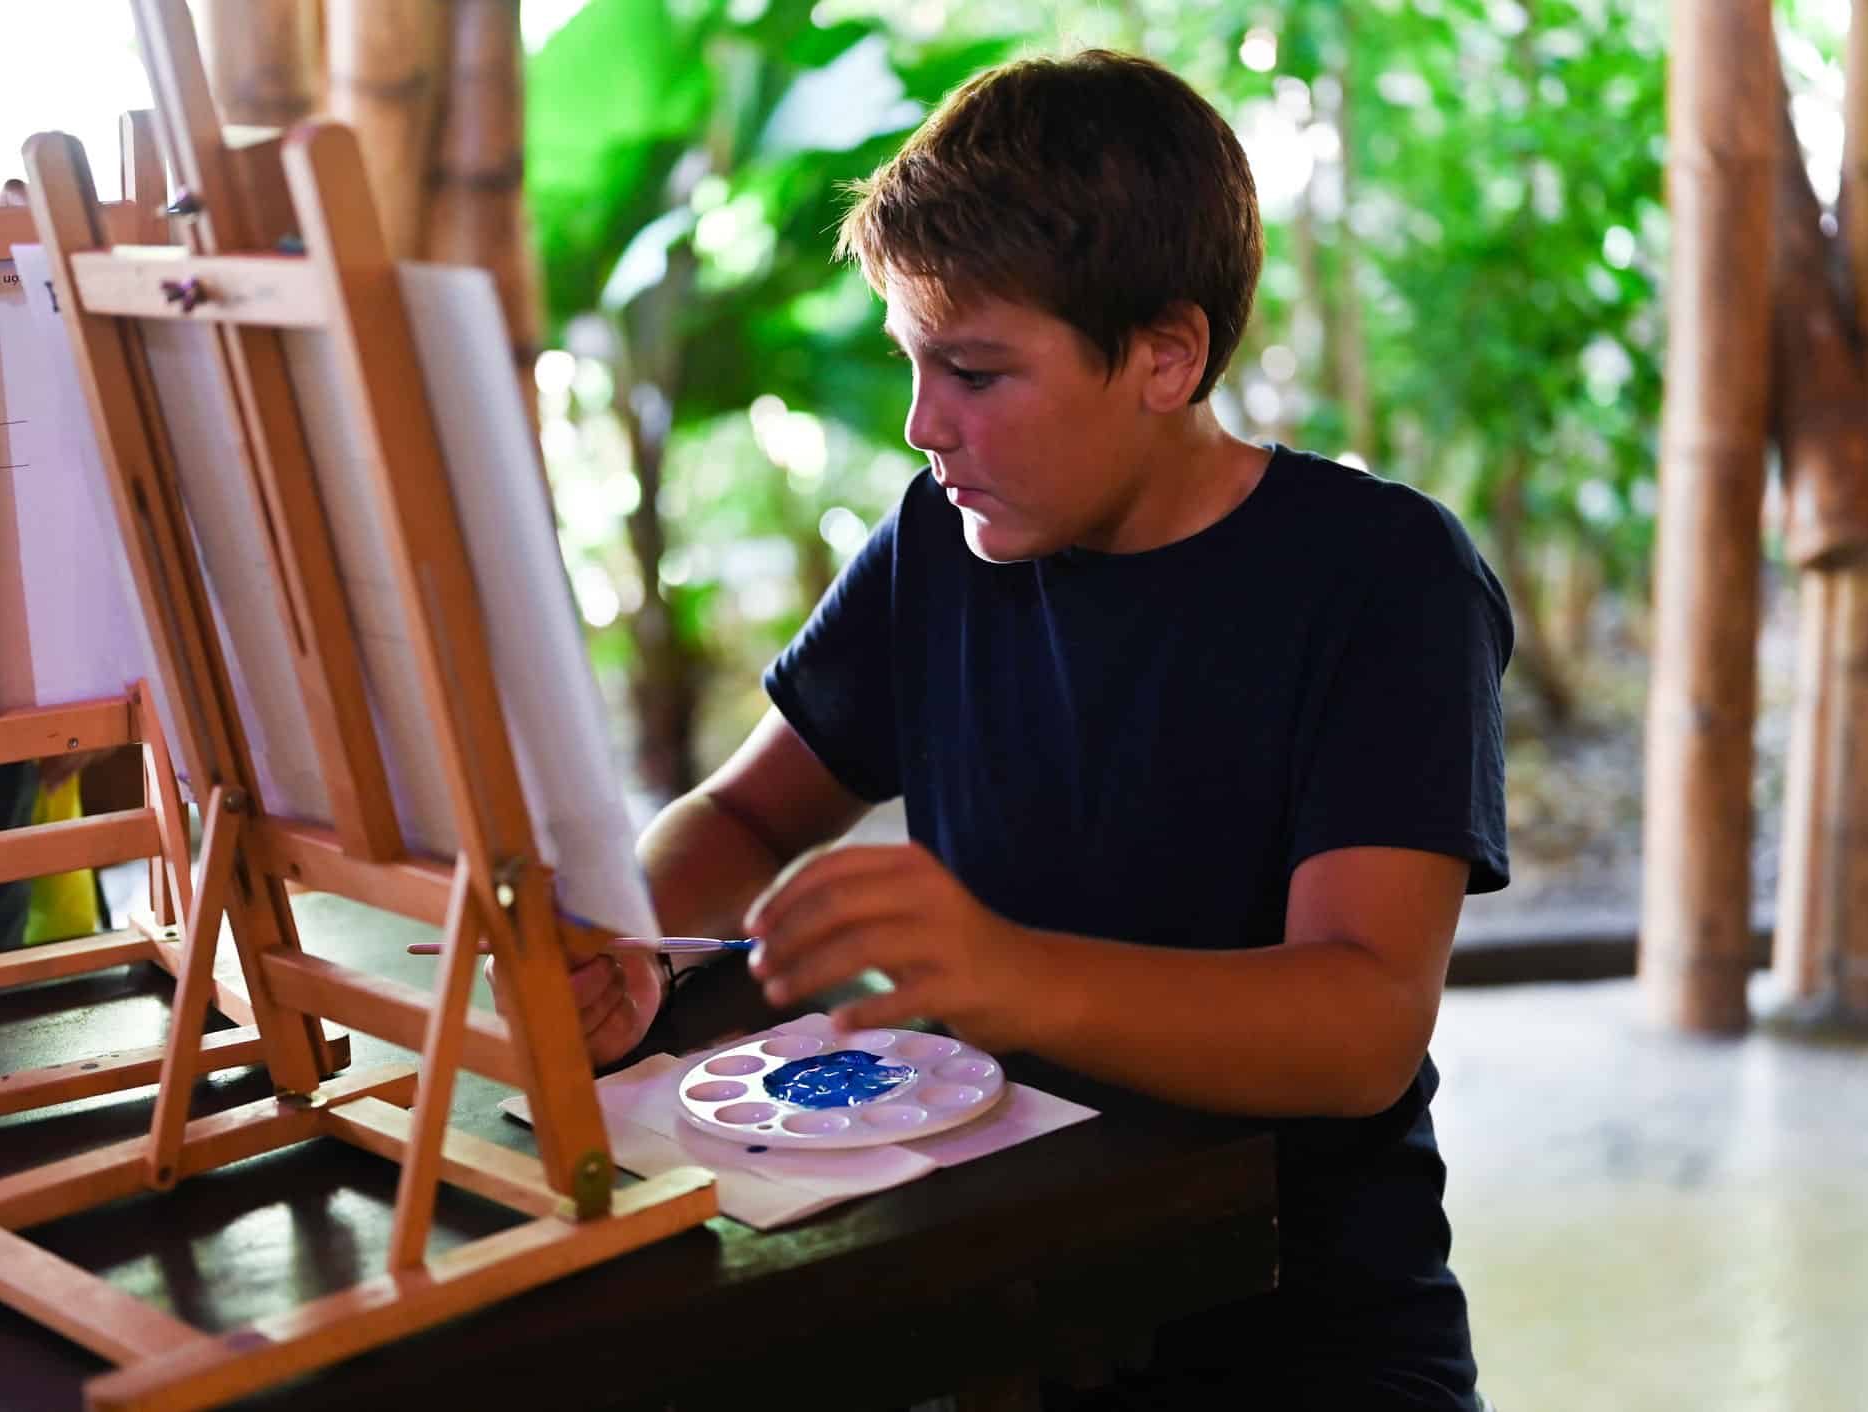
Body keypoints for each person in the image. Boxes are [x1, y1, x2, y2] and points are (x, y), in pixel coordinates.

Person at [562, 49, 1511, 1410]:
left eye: (975, 372)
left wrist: (1008, 974)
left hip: (1291, 1321)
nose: (920, 425)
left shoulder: (1381, 579)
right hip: (992, 1273)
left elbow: (1360, 1022)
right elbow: (748, 816)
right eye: (911, 362)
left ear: (1164, 357)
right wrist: (629, 943)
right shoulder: (936, 548)